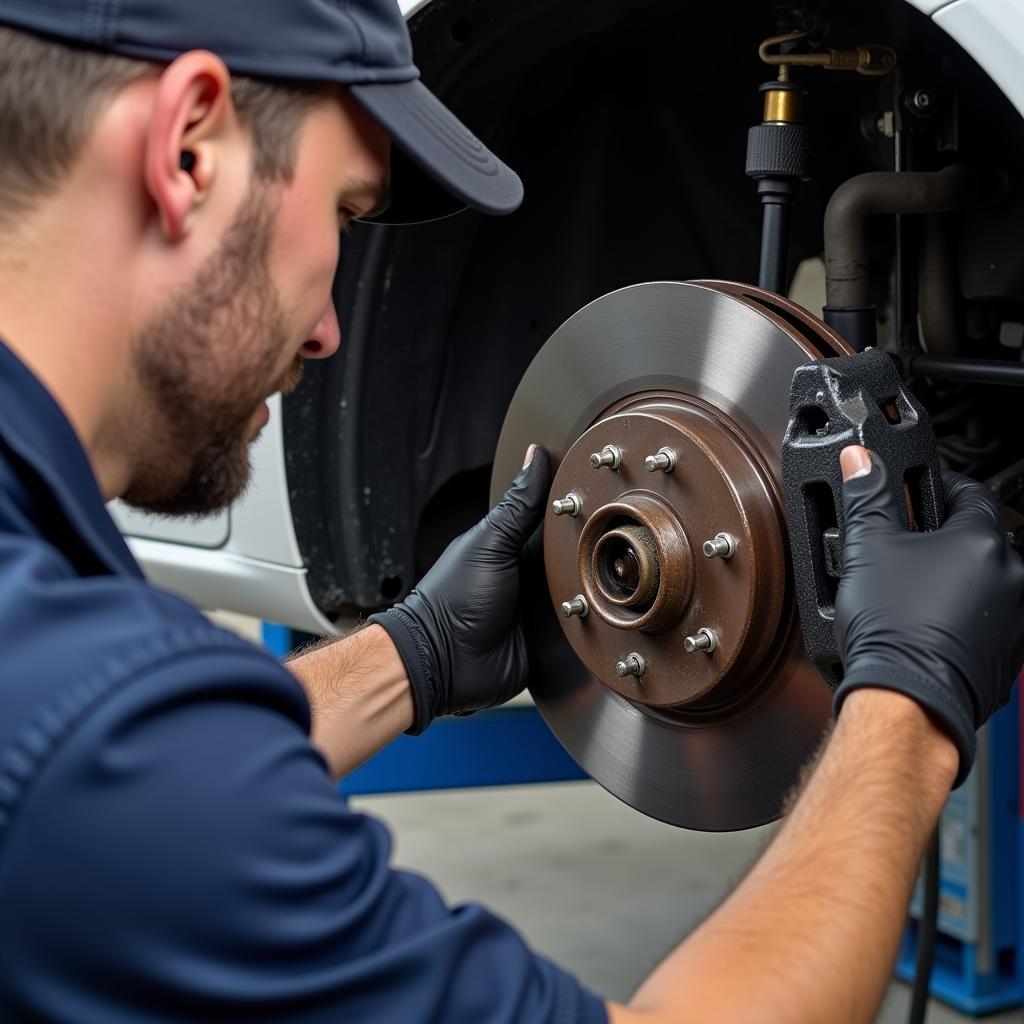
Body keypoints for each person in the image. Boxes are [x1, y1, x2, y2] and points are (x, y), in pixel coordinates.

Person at [0, 2, 1020, 1022]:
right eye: (346, 215)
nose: (327, 332)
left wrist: (416, 651)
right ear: (188, 149)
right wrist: (906, 702)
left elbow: (155, 797)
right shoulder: (84, 729)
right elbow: (121, 777)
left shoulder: (56, 677)